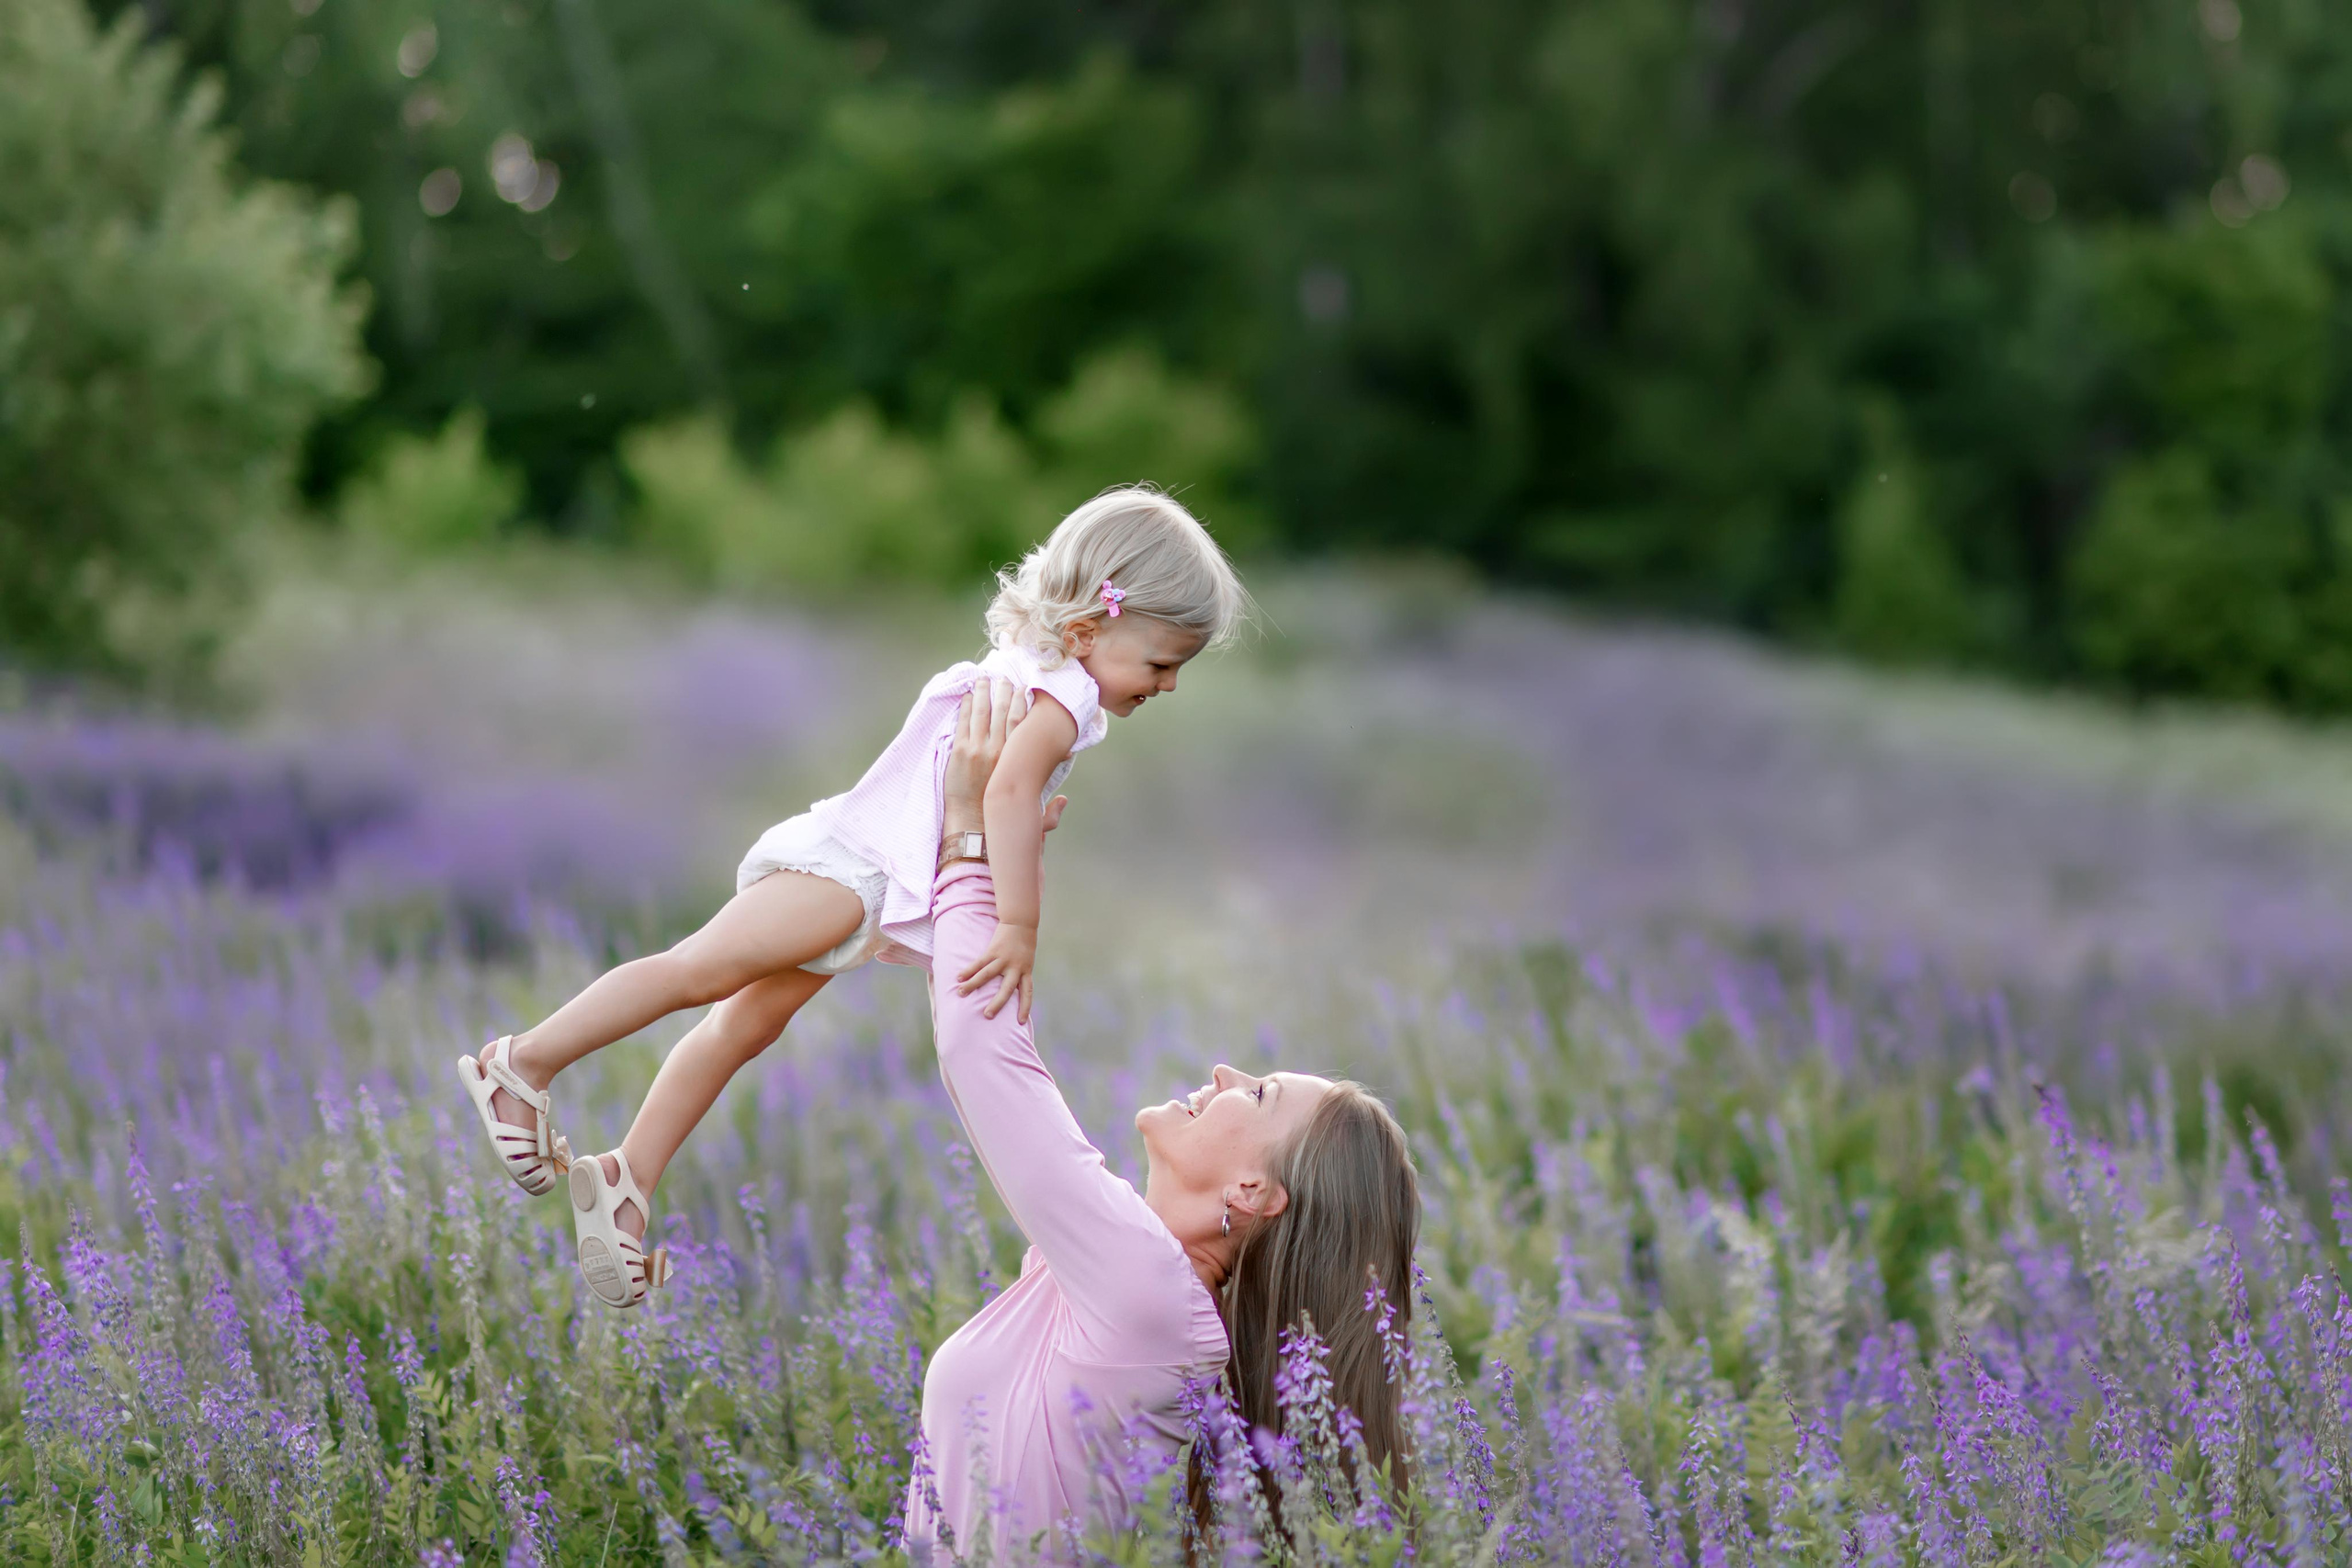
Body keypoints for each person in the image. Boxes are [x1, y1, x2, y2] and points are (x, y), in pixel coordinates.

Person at [458, 486, 1248, 1307]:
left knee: (744, 1025)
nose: (1169, 685)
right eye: (1161, 663)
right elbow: (1007, 790)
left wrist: (1019, 817)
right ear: (1087, 630)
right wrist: (1018, 924)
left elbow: (996, 788)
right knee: (698, 972)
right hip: (860, 870)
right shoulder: (1068, 698)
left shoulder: (1042, 668)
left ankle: (628, 1178)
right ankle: (524, 1063)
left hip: (869, 879)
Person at [910, 680, 1421, 1561]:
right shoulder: (1121, 1284)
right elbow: (974, 1036)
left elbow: (980, 1053)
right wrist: (993, 858)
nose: (1223, 1072)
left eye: (1257, 1094)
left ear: (1254, 1190)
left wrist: (967, 837)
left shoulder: (1145, 1293)